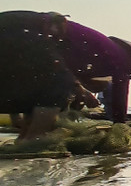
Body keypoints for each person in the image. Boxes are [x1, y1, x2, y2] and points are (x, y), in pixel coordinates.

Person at [0, 11, 76, 141]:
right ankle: (34, 138)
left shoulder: (26, 23)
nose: (58, 37)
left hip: (10, 60)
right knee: (61, 80)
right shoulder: (38, 26)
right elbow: (52, 59)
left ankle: (26, 136)